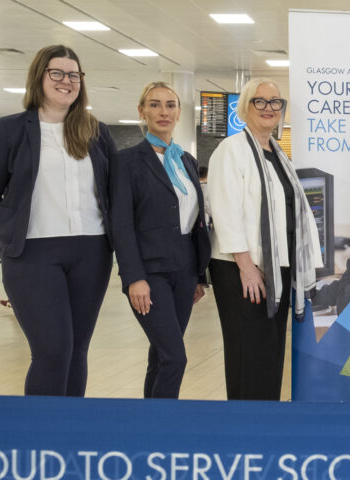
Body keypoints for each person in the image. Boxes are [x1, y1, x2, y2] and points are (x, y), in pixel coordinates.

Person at [0, 45, 117, 396]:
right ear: (39, 76)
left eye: (74, 75)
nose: (66, 81)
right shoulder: (8, 131)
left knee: (76, 351)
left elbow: (115, 192)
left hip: (92, 252)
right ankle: (39, 439)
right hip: (32, 255)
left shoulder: (96, 131)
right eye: (57, 73)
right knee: (52, 351)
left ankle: (68, 436)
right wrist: (11, 239)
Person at [206, 78, 322, 401]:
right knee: (249, 353)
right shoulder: (231, 150)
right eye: (261, 101)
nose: (269, 108)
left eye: (275, 102)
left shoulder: (277, 155)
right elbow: (225, 210)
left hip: (277, 269)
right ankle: (245, 428)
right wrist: (246, 266)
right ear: (245, 107)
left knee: (270, 352)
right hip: (242, 269)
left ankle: (265, 420)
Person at [110, 81, 211, 399]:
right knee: (174, 357)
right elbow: (121, 225)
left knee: (161, 355)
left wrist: (198, 276)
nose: (163, 111)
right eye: (154, 104)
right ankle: (165, 424)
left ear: (179, 112)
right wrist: (133, 278)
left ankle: (149, 424)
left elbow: (195, 223)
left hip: (184, 270)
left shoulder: (186, 162)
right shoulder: (126, 162)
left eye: (170, 104)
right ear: (141, 111)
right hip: (149, 272)